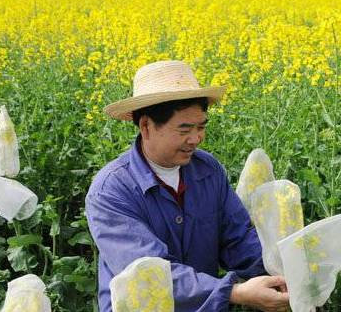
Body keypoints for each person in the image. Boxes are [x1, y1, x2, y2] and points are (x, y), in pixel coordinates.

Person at [85, 60, 290, 311]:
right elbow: (151, 275)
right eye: (184, 129)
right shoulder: (111, 191)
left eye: (201, 127)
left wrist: (285, 272)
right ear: (146, 126)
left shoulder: (207, 171)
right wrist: (234, 292)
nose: (195, 139)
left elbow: (238, 239)